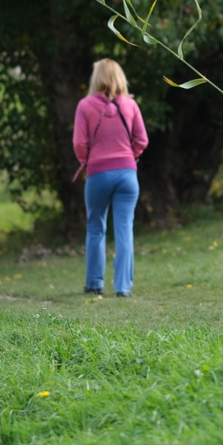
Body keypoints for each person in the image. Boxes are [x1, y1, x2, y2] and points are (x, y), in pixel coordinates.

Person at [72, 59, 148, 298]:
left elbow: (79, 143)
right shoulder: (131, 105)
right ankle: (123, 287)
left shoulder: (85, 106)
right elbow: (142, 140)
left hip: (98, 173)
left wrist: (87, 160)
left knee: (96, 227)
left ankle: (94, 284)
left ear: (96, 78)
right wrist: (129, 157)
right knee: (125, 228)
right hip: (127, 173)